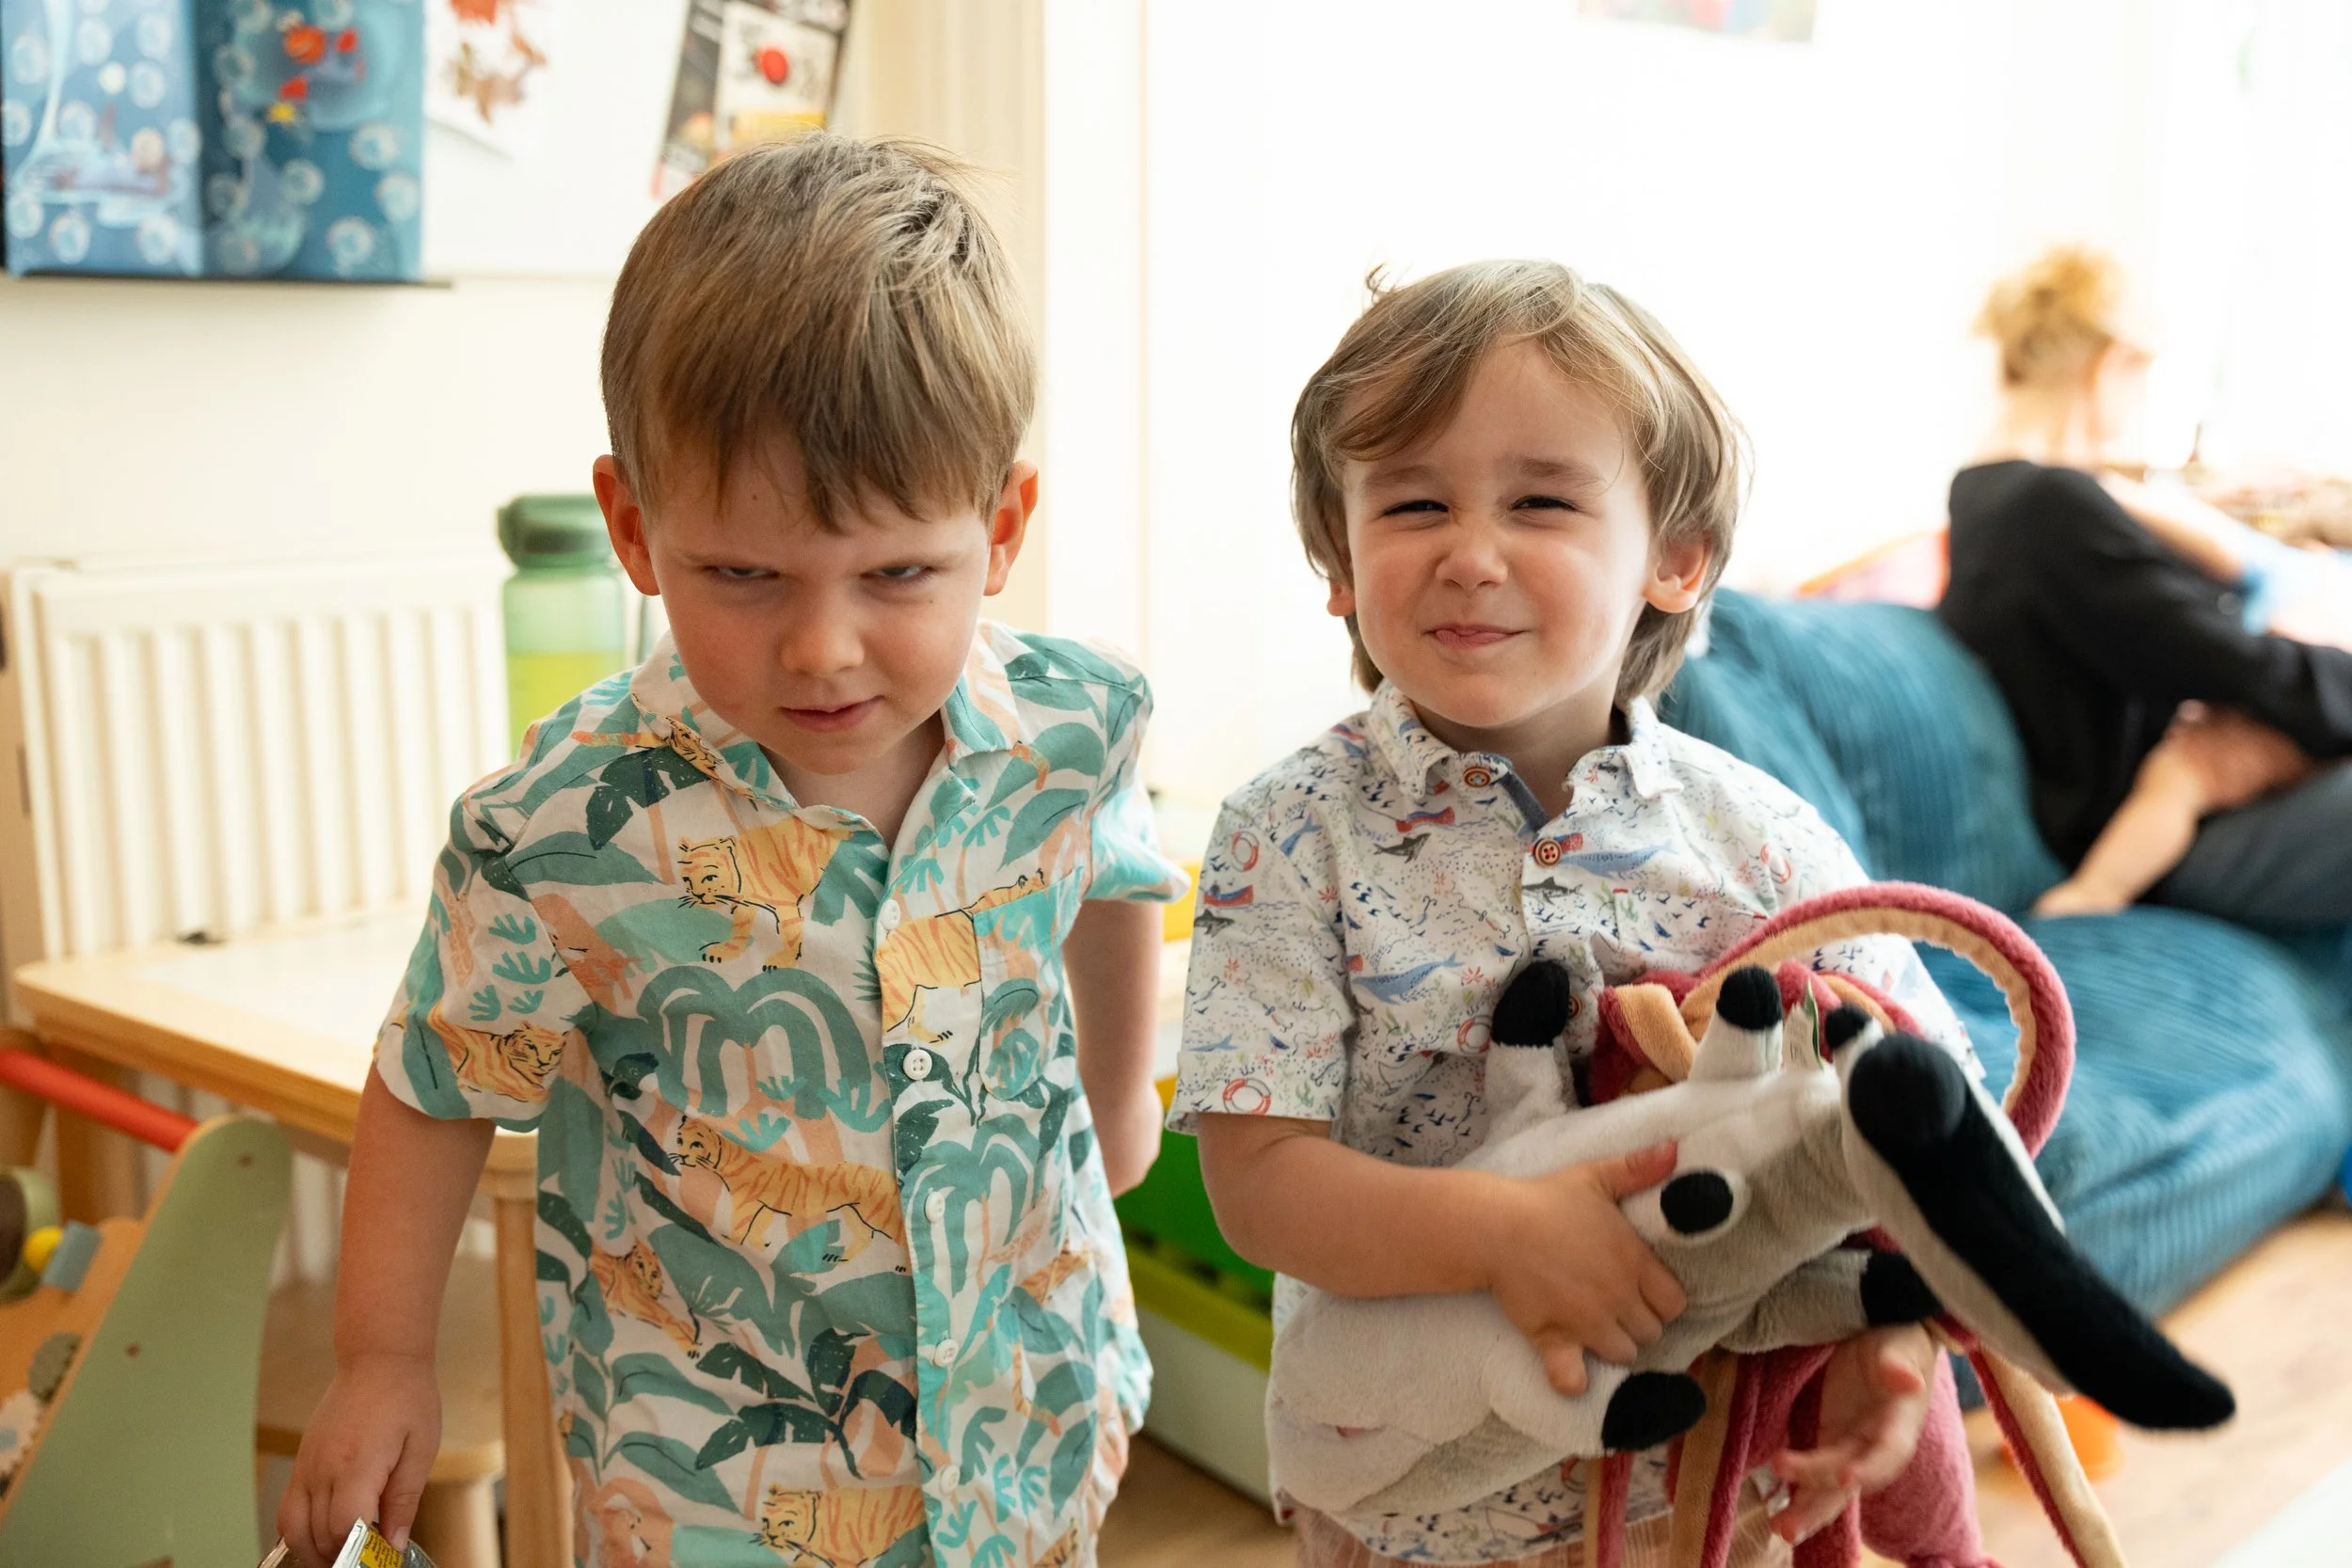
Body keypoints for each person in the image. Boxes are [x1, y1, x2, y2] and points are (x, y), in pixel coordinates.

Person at [277, 135, 1186, 1568]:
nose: (824, 648)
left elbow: (1120, 880)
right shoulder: (564, 824)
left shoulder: (1079, 719)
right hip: (715, 1479)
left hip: (1029, 1402)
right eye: (746, 575)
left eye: (897, 574)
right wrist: (382, 1353)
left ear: (1001, 527)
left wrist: (1123, 1100)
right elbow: (434, 1078)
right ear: (637, 528)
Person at [1169, 261, 1979, 1568]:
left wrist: (1895, 1332)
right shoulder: (1285, 832)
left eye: (1540, 500)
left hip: (1714, 1495)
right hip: (1411, 1502)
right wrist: (1505, 1233)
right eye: (1413, 500)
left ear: (1676, 556)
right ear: (1339, 559)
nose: (1470, 552)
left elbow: (1912, 1120)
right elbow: (1257, 1186)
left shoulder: (1760, 838)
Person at [1941, 245, 2352, 926]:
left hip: (2169, 812)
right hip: (2157, 841)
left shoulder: (1986, 500)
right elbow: (2236, 664)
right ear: (2113, 364)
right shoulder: (2045, 507)